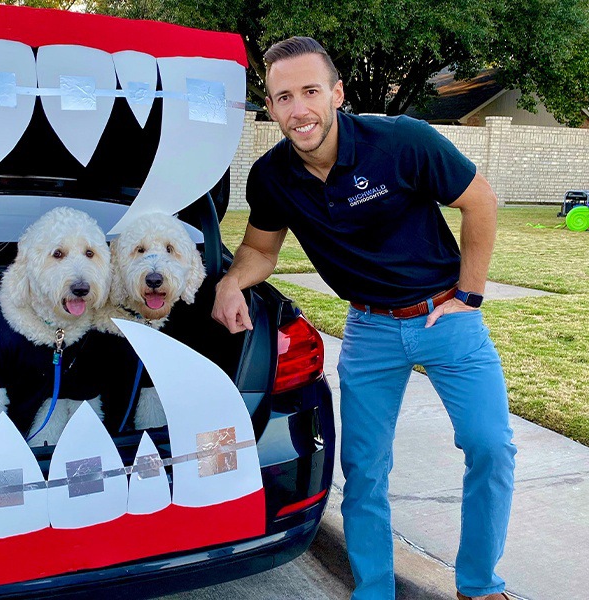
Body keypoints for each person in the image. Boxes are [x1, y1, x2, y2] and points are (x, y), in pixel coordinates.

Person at [212, 37, 516, 600]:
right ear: (271, 107)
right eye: (283, 97)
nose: (298, 109)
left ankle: (478, 584)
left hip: (444, 316)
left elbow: (481, 200)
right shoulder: (273, 175)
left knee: (490, 445)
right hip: (370, 329)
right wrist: (232, 279)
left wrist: (469, 296)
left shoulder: (401, 141)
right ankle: (373, 590)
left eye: (309, 91)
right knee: (364, 467)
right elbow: (260, 249)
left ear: (337, 93)